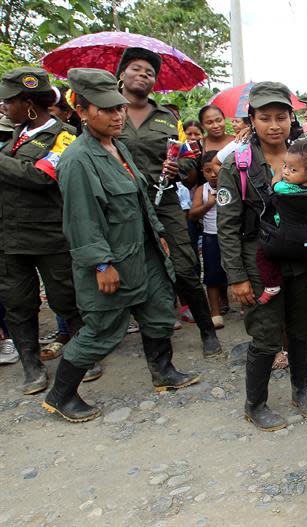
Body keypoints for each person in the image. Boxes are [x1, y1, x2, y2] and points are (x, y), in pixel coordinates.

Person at [43, 68, 200, 423]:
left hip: (143, 252)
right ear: (82, 111)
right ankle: (61, 395)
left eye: (119, 108)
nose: (117, 115)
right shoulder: (78, 160)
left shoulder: (118, 148)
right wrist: (101, 264)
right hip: (111, 259)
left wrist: (158, 232)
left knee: (159, 311)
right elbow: (81, 220)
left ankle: (163, 372)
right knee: (100, 330)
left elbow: (141, 199)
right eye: (106, 109)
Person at [217, 82, 307, 432]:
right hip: (260, 261)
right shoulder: (239, 164)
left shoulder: (306, 157)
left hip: (302, 258)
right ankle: (255, 403)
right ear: (252, 120)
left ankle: (301, 390)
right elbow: (227, 226)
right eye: (265, 118)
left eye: (281, 117)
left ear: (292, 119)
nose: (274, 125)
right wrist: (237, 276)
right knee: (265, 333)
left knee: (302, 326)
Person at [115, 47, 222, 358]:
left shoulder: (166, 118)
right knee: (136, 267)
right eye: (137, 69)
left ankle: (206, 329)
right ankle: (152, 336)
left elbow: (190, 162)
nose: (144, 76)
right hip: (123, 204)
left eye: (150, 73)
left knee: (185, 266)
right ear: (122, 75)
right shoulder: (109, 112)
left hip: (164, 199)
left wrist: (179, 168)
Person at [0, 67, 91, 395]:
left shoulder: (64, 135)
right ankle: (32, 365)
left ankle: (84, 356)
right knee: (17, 302)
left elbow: (41, 176)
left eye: (8, 102)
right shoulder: (14, 136)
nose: (4, 107)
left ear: (28, 103)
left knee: (65, 297)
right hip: (8, 238)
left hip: (49, 234)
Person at [254, 139, 307, 304]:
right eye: (285, 166)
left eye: (292, 169)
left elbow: (274, 184)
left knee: (263, 254)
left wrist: (277, 172)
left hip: (283, 237)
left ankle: (271, 284)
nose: (286, 172)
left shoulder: (283, 188)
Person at [189, 150, 226, 329]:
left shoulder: (230, 185)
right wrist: (208, 204)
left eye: (215, 170)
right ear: (202, 172)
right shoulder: (201, 190)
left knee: (235, 271)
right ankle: (216, 312)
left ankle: (244, 307)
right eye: (207, 171)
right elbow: (192, 214)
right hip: (211, 236)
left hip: (231, 235)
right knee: (212, 275)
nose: (212, 175)